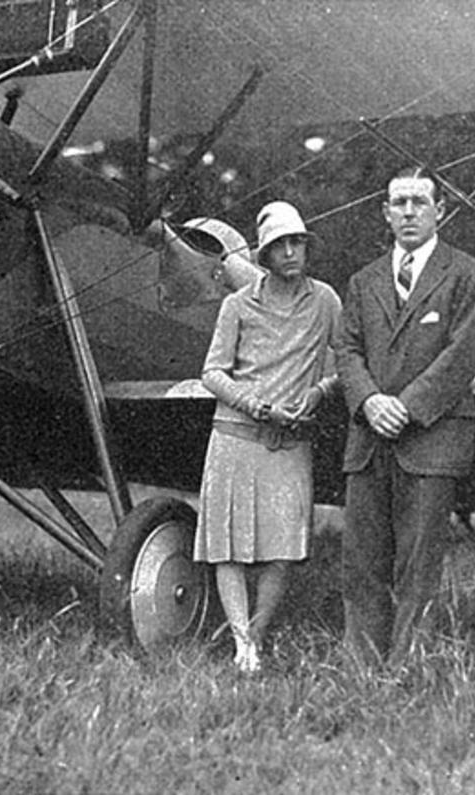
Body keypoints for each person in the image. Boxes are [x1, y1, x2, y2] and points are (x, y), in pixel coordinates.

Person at [336, 166, 475, 666]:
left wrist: (406, 406)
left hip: (431, 441)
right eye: (398, 203)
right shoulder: (363, 282)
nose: (408, 212)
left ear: (439, 211)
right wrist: (367, 401)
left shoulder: (466, 274)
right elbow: (347, 348)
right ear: (385, 212)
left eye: (418, 203)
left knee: (418, 564)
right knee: (361, 562)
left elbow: (463, 354)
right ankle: (362, 669)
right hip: (368, 441)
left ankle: (407, 669)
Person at [193, 201, 341, 673]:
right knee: (227, 547)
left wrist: (318, 392)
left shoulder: (326, 301)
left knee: (283, 549)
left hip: (290, 439)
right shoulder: (237, 305)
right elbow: (212, 372)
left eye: (297, 242)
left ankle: (256, 634)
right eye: (280, 246)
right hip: (235, 435)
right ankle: (242, 647)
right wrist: (251, 403)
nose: (291, 252)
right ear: (265, 255)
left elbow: (345, 361)